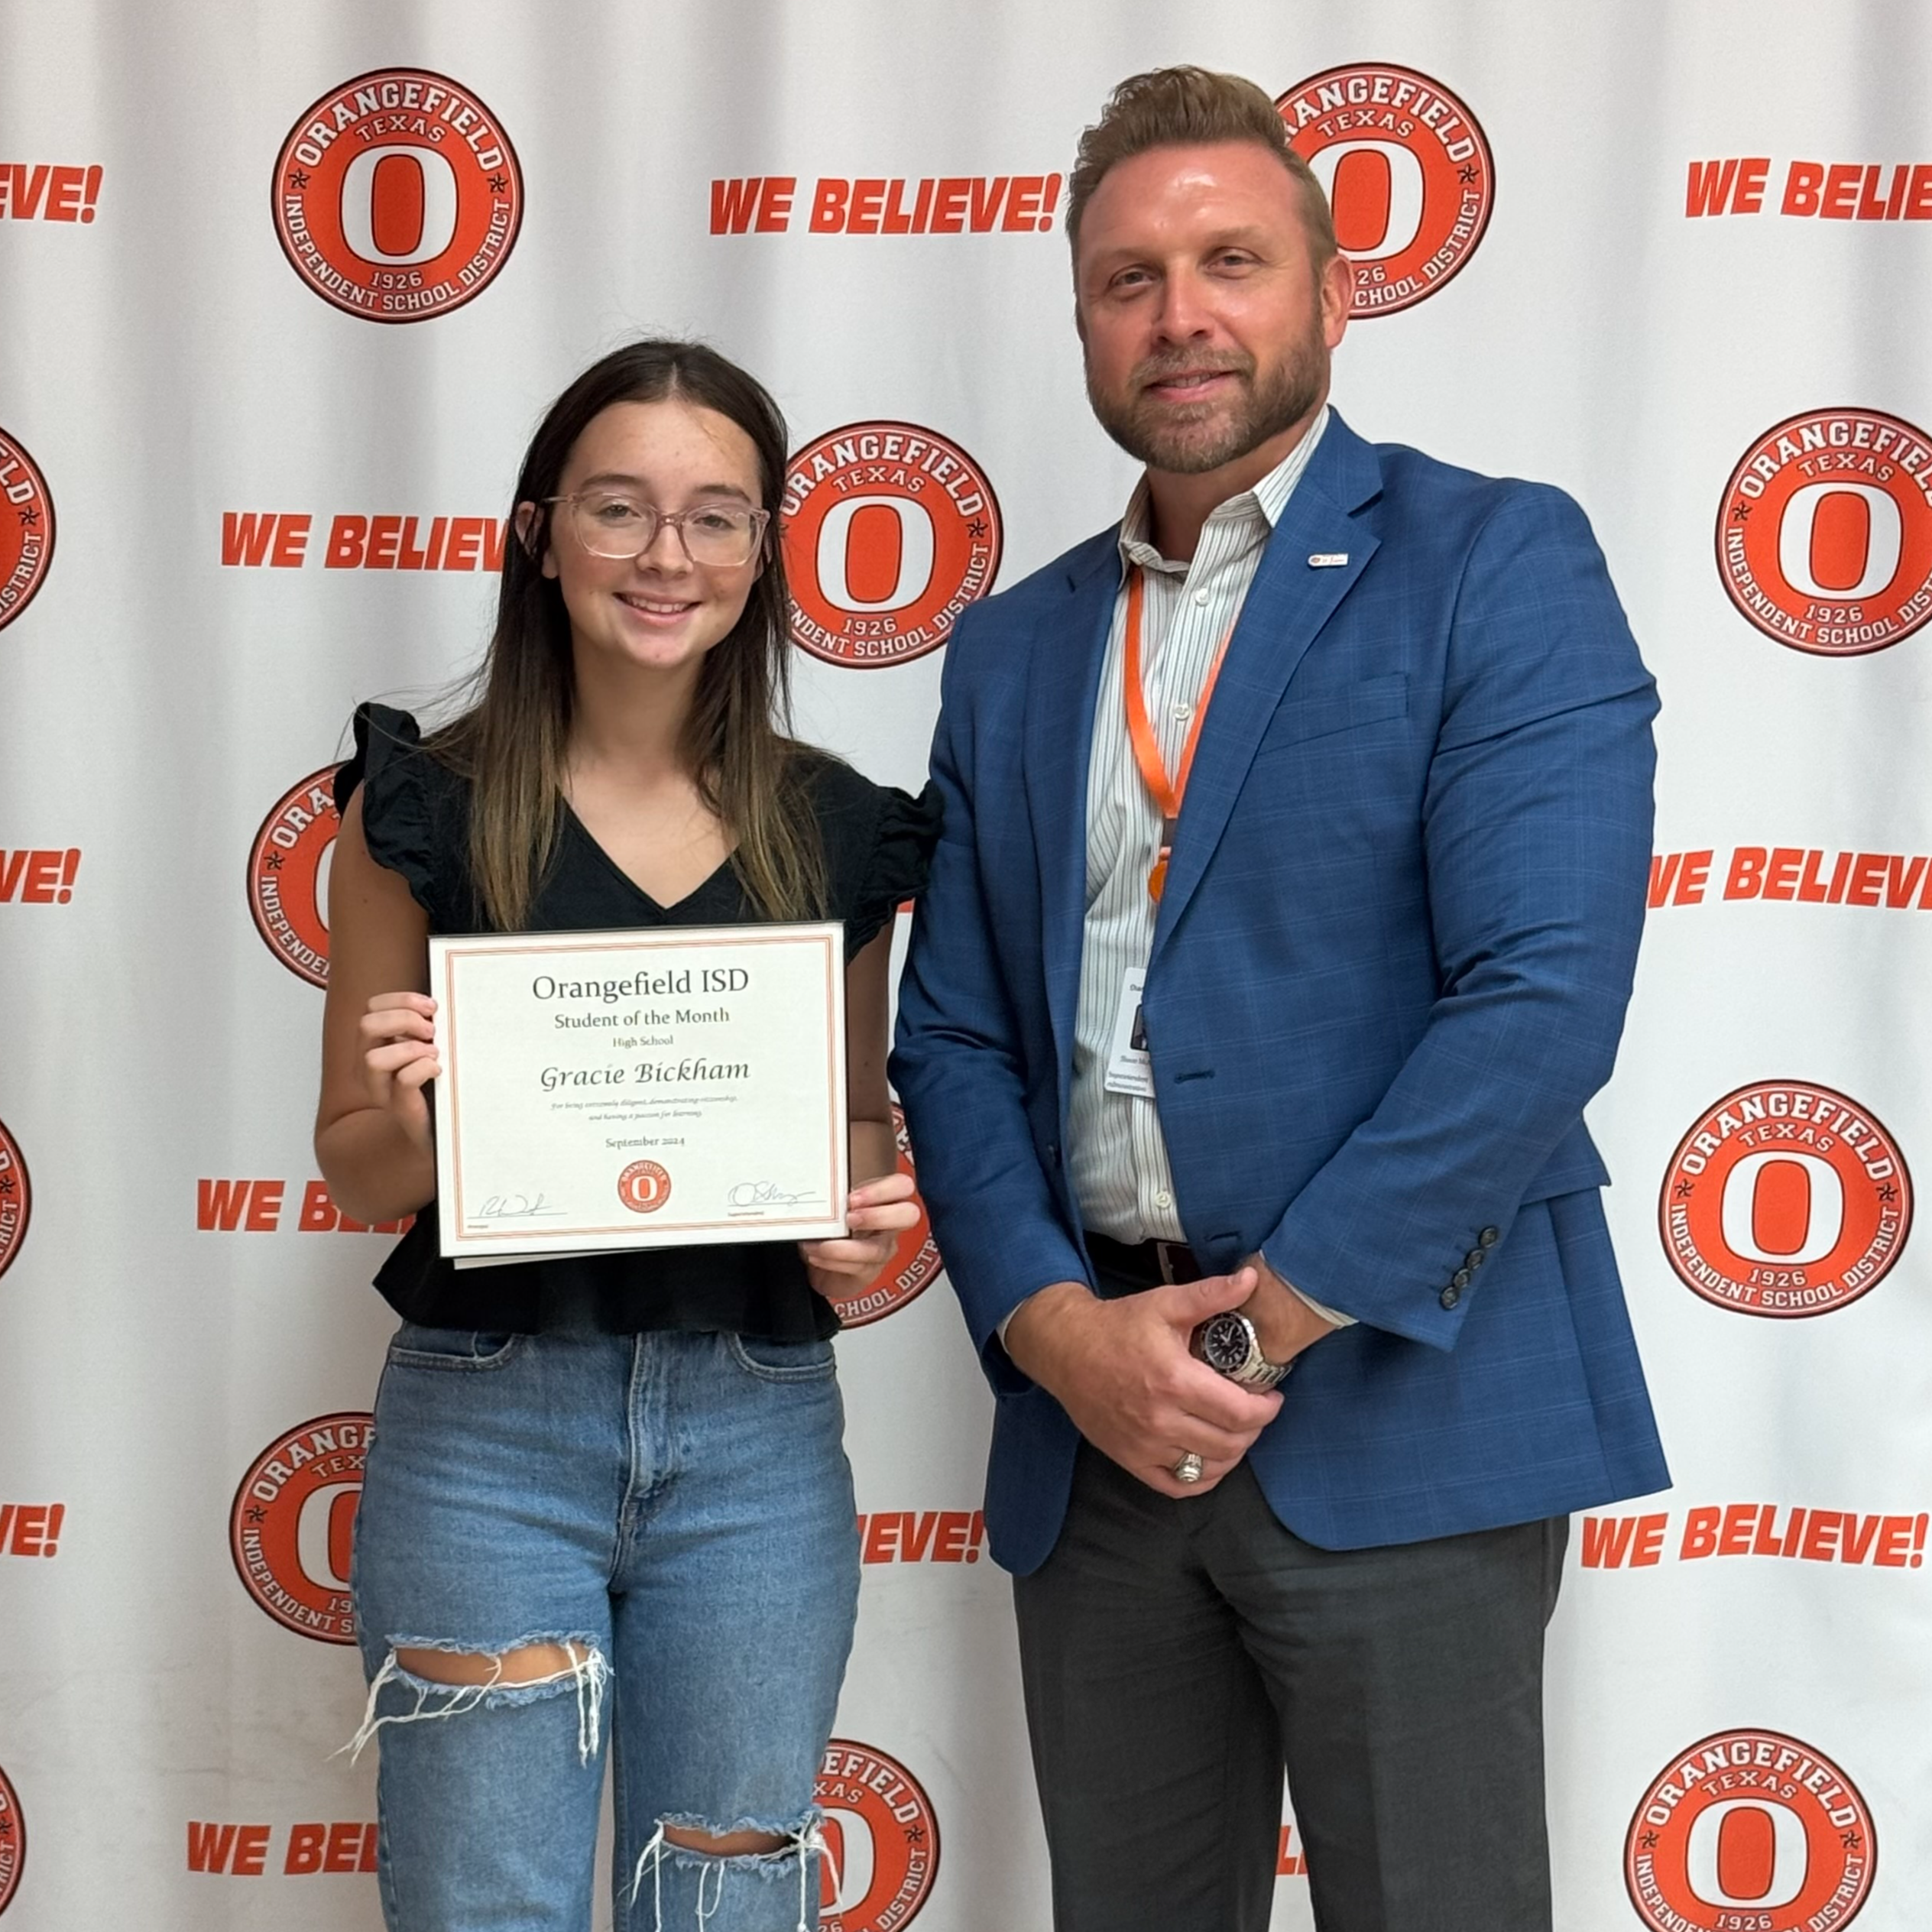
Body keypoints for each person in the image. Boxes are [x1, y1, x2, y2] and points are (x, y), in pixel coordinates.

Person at [891, 66, 1668, 1932]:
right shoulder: (1012, 645)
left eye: (1230, 259)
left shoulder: (1493, 558)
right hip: (1094, 1431)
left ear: (1332, 290)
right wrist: (1065, 1336)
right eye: (1127, 277)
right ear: (1081, 318)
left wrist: (1251, 1341)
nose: (1180, 315)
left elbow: (1539, 999)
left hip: (1399, 1396)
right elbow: (957, 1037)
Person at [314, 339, 936, 1932]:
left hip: (755, 1433)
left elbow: (847, 1123)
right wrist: (428, 1124)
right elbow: (355, 1162)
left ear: (767, 549)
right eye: (620, 507)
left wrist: (855, 1230)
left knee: (728, 1904)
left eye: (717, 515)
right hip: (487, 1433)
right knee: (480, 1905)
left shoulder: (836, 826)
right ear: (539, 534)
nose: (669, 556)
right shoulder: (419, 812)